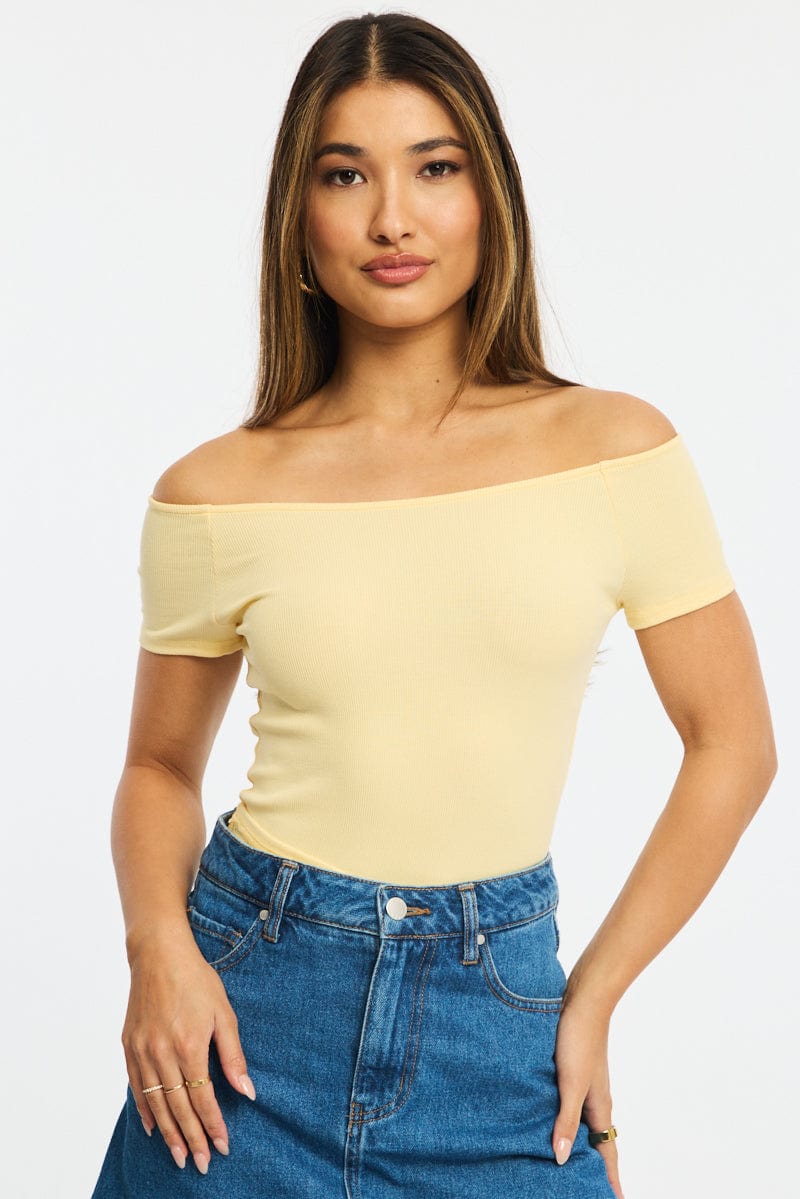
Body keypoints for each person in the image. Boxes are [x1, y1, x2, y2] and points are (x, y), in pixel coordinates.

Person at [91, 11, 777, 1198]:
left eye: (434, 167)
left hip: (496, 1024)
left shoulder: (613, 450)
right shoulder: (215, 490)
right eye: (344, 174)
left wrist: (589, 996)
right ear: (298, 217)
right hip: (244, 1025)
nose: (391, 218)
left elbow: (734, 741)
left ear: (487, 198)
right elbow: (158, 764)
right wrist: (158, 948)